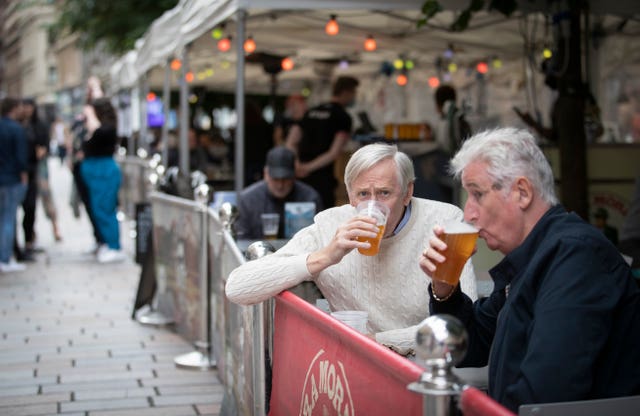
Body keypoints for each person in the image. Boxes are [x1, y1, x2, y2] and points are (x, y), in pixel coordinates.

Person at [420, 127, 640, 411]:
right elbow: (468, 347)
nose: (469, 214)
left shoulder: (576, 256)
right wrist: (444, 287)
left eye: (477, 194)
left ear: (522, 192)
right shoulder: (533, 255)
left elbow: (544, 394)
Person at [226, 143, 477, 355]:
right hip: (353, 368)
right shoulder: (330, 225)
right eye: (362, 194)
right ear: (349, 195)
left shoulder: (444, 221)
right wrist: (324, 257)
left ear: (407, 192)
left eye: (384, 193)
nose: (373, 205)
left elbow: (459, 324)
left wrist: (380, 342)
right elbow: (237, 287)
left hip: (424, 363)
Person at [296, 76, 359, 208]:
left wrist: (297, 164)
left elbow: (291, 141)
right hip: (322, 176)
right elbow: (334, 152)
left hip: (299, 175)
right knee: (323, 218)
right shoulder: (342, 117)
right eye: (354, 93)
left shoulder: (311, 111)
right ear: (347, 92)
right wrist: (308, 168)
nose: (354, 97)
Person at [236, 146, 323, 240]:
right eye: (275, 179)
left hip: (301, 253)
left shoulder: (310, 198)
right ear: (266, 174)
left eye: (285, 179)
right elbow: (242, 241)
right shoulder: (248, 200)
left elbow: (320, 238)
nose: (280, 185)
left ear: (294, 176)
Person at [80, 98, 125, 263]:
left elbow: (98, 132)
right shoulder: (97, 127)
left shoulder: (107, 128)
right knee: (98, 209)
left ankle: (115, 246)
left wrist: (91, 115)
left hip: (104, 172)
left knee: (106, 209)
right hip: (94, 172)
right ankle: (106, 242)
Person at [15, 99, 49, 259]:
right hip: (17, 174)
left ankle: (29, 240)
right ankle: (15, 246)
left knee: (30, 208)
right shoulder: (16, 126)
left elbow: (43, 146)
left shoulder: (37, 126)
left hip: (31, 171)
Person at [0, 98, 28, 273]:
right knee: (9, 219)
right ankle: (5, 258)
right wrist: (23, 176)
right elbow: (20, 158)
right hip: (11, 179)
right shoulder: (16, 129)